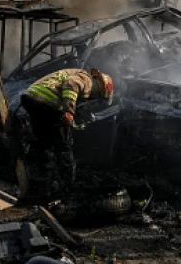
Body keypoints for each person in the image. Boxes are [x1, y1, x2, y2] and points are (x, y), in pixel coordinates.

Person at [19, 67, 115, 197]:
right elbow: (71, 83)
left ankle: (43, 189)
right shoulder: (87, 79)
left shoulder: (77, 75)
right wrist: (69, 111)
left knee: (44, 144)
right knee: (64, 145)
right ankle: (67, 188)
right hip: (47, 101)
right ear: (100, 86)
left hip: (32, 98)